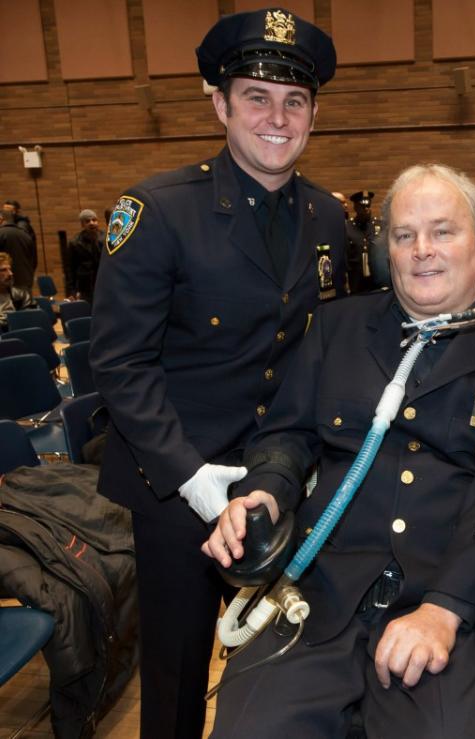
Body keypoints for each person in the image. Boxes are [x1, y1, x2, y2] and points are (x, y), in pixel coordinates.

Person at [203, 163, 475, 738]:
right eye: (404, 235)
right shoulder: (336, 327)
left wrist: (445, 609)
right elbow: (287, 435)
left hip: (451, 599)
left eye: (442, 231)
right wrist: (264, 493)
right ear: (385, 250)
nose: (422, 250)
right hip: (319, 593)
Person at [89, 9, 345, 738]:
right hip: (176, 483)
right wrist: (191, 474)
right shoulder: (159, 210)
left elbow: (319, 349)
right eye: (257, 96)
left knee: (272, 663)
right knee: (174, 675)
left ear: (314, 115)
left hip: (278, 478)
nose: (277, 116)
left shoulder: (328, 217)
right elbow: (119, 361)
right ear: (220, 103)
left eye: (294, 100)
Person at [351, 189, 390, 288]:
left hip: (376, 282)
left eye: (368, 206)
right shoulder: (348, 228)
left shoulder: (379, 225)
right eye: (363, 207)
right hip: (356, 283)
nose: (367, 209)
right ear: (355, 207)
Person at [64, 209, 104, 301]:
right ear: (82, 224)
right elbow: (70, 269)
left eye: (94, 220)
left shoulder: (106, 238)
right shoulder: (75, 243)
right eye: (87, 221)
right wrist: (71, 291)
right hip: (86, 286)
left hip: (104, 283)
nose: (91, 223)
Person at [0, 207, 34, 291]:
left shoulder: (0, 234)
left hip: (6, 284)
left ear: (1, 219)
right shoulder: (26, 235)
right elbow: (34, 261)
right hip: (26, 282)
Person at [0, 252, 36, 329]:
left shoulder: (23, 294)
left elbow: (29, 320)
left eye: (10, 269)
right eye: (3, 270)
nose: (10, 273)